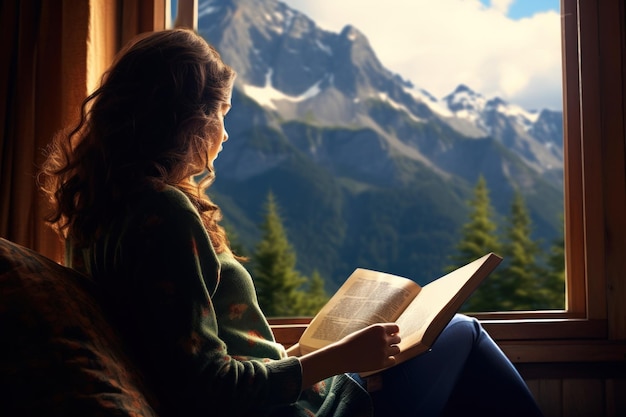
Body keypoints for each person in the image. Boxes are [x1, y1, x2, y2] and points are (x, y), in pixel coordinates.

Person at [39, 28, 544, 417]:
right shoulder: (162, 213)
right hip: (279, 409)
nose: (225, 134)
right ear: (185, 119)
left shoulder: (98, 218)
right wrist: (334, 358)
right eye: (222, 114)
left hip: (279, 389)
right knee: (464, 333)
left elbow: (192, 349)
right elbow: (206, 384)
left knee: (451, 343)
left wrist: (303, 351)